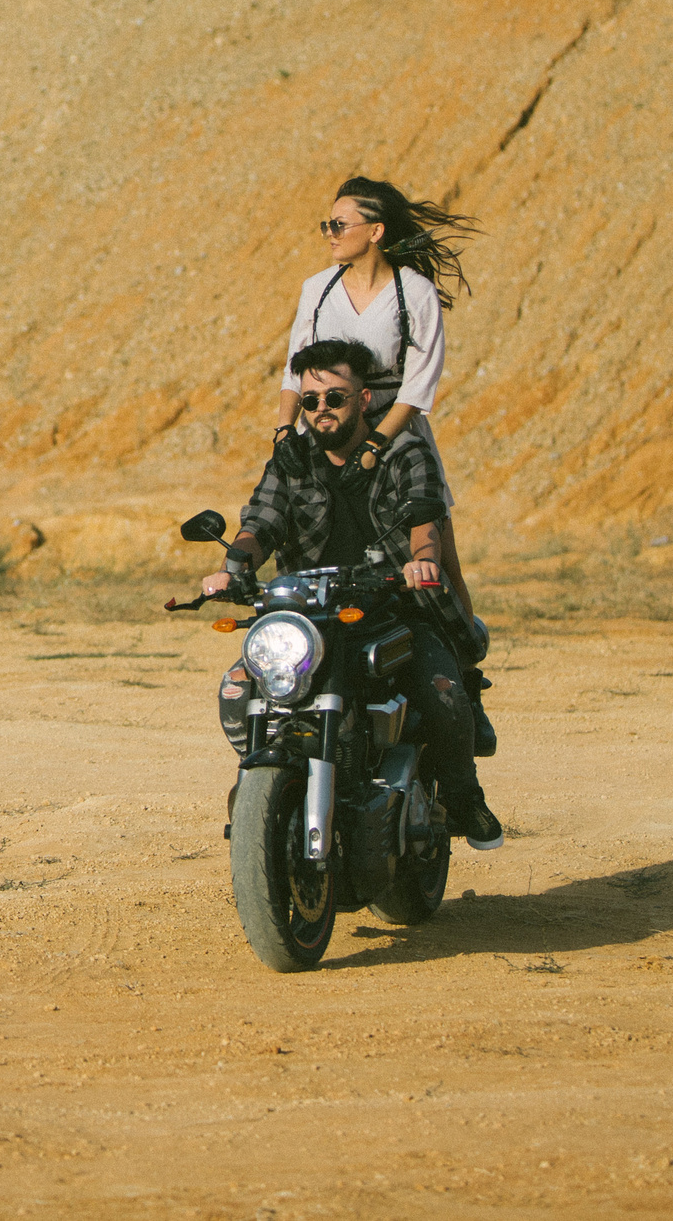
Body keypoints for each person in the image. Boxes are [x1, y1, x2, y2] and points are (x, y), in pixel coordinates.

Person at [207, 338, 502, 849]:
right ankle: (263, 780)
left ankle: (462, 796)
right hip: (313, 615)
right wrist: (233, 567)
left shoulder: (405, 452)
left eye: (334, 398)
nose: (321, 409)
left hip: (394, 608)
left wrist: (423, 561)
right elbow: (260, 524)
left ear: (364, 399)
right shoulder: (292, 459)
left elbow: (425, 519)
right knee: (236, 689)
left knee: (443, 694)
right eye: (310, 400)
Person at [277, 176, 478, 625]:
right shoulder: (317, 289)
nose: (329, 234)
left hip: (393, 435)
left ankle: (463, 654)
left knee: (440, 562)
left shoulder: (415, 292)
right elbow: (293, 369)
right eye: (327, 225)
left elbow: (418, 385)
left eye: (339, 225)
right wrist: (285, 430)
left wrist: (374, 445)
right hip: (327, 430)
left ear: (375, 231)